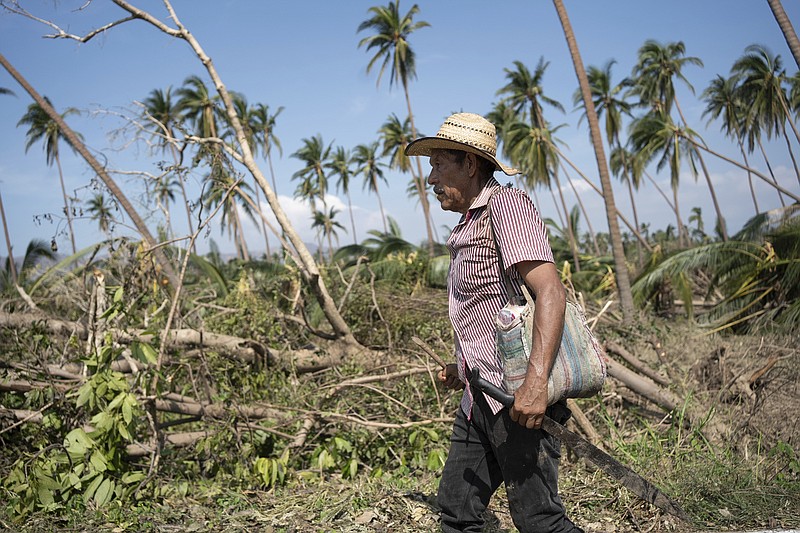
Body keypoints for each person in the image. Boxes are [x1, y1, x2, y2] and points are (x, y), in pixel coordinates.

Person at [405, 112, 583, 533]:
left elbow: (550, 292)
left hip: (516, 399)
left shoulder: (506, 206)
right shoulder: (469, 223)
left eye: (437, 165)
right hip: (479, 396)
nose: (430, 179)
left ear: (469, 165)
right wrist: (462, 367)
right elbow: (489, 308)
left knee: (540, 521)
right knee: (458, 511)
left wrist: (536, 385)